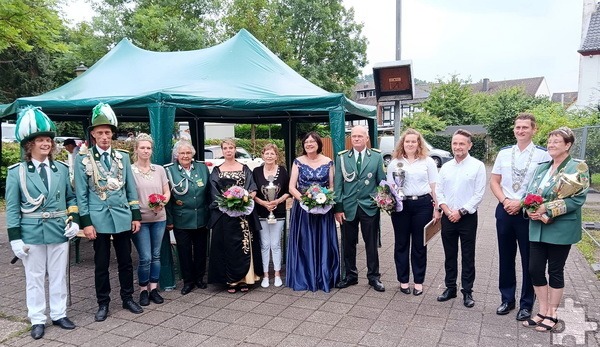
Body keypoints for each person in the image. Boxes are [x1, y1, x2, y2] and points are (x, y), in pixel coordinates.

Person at [6, 107, 80, 339]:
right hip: (32, 231)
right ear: (30, 145)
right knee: (35, 277)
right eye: (40, 140)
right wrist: (15, 238)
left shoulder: (61, 168)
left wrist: (75, 220)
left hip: (59, 229)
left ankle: (59, 313)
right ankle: (37, 318)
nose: (46, 144)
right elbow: (11, 207)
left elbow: (71, 197)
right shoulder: (17, 173)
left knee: (58, 275)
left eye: (48, 140)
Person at [74, 103, 143, 322]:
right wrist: (86, 222)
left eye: (107, 132)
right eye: (100, 132)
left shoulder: (122, 157)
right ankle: (103, 302)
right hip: (98, 219)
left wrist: (136, 215)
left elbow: (130, 188)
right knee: (101, 263)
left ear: (112, 133)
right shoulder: (83, 159)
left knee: (125, 261)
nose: (104, 136)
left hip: (122, 217)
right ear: (93, 134)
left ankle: (127, 297)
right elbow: (81, 195)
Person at [522, 127, 589, 332]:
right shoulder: (542, 167)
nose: (551, 144)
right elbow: (530, 192)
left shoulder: (578, 167)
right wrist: (530, 210)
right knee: (534, 269)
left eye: (556, 141)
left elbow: (577, 199)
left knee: (555, 271)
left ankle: (552, 313)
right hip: (537, 226)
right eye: (550, 141)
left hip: (560, 228)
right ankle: (541, 311)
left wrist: (547, 209)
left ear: (567, 145)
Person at [490, 113, 551, 321]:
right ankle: (507, 299)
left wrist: (521, 203)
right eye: (518, 127)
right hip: (505, 210)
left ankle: (526, 304)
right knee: (506, 257)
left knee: (529, 260)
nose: (521, 131)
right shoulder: (504, 153)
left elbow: (545, 186)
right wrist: (506, 201)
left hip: (527, 213)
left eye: (525, 127)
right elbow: (495, 181)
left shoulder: (543, 155)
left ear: (534, 130)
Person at [386, 128, 440, 296]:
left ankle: (418, 281)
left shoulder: (428, 162)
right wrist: (387, 202)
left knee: (419, 245)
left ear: (419, 144)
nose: (410, 144)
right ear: (403, 143)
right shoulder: (395, 162)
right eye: (407, 141)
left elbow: (434, 186)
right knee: (401, 244)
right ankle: (403, 280)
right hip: (401, 206)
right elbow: (390, 187)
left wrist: (437, 208)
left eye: (413, 141)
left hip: (423, 205)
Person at [435, 129, 486, 308]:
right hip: (448, 216)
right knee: (450, 255)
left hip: (467, 218)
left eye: (462, 143)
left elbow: (479, 194)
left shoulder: (478, 166)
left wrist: (461, 212)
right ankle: (450, 288)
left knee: (467, 255)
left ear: (469, 145)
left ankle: (467, 291)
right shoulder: (446, 167)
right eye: (455, 143)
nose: (458, 147)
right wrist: (446, 210)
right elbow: (439, 191)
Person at [334, 125, 386, 292]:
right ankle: (350, 275)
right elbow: (338, 185)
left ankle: (373, 277)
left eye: (359, 136)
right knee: (348, 243)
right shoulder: (342, 157)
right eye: (353, 136)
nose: (356, 139)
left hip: (369, 207)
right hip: (348, 207)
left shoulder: (376, 157)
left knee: (371, 243)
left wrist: (382, 201)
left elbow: (381, 183)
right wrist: (338, 208)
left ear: (367, 138)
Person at [287, 132, 339, 292]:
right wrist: (305, 202)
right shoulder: (298, 162)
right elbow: (291, 187)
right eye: (306, 142)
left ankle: (324, 276)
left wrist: (323, 198)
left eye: (312, 142)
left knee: (323, 241)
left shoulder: (328, 162)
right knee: (304, 242)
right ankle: (304, 276)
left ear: (318, 144)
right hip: (303, 210)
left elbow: (332, 186)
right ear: (303, 145)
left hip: (324, 208)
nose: (309, 144)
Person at [208, 139, 262, 293]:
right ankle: (231, 280)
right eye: (225, 148)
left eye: (231, 147)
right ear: (222, 151)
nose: (228, 150)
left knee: (244, 245)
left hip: (243, 216)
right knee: (227, 246)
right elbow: (214, 193)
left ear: (235, 149)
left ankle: (245, 278)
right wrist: (227, 204)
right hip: (224, 216)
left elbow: (252, 188)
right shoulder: (217, 170)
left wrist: (245, 200)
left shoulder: (245, 169)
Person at [164, 140, 211, 295]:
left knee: (200, 250)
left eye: (188, 153)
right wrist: (169, 220)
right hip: (181, 219)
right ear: (177, 155)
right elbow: (169, 199)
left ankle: (199, 278)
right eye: (182, 153)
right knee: (184, 252)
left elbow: (209, 193)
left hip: (201, 217)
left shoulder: (202, 168)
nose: (185, 156)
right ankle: (188, 281)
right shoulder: (170, 171)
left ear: (193, 154)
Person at [131, 133, 170, 305]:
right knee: (145, 257)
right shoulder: (130, 171)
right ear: (136, 149)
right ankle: (143, 290)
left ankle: (153, 288)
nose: (146, 151)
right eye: (142, 148)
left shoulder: (159, 170)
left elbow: (167, 191)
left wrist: (163, 202)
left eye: (148, 148)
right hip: (140, 220)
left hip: (159, 218)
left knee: (156, 255)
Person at [252, 144, 290, 288]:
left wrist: (277, 201)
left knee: (275, 244)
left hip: (278, 212)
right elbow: (253, 191)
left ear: (276, 156)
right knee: (264, 244)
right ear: (263, 155)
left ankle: (278, 274)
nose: (269, 156)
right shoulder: (256, 171)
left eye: (272, 154)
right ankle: (266, 275)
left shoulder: (283, 171)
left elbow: (288, 190)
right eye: (266, 153)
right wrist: (263, 203)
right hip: (261, 212)